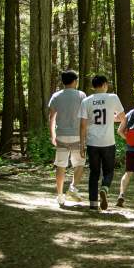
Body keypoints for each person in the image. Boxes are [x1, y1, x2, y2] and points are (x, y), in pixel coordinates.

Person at [79, 75, 125, 211]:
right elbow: (123, 118)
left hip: (92, 142)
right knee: (108, 171)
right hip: (108, 142)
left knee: (94, 173)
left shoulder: (86, 101)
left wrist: (81, 144)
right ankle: (104, 188)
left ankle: (93, 204)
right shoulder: (113, 97)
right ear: (105, 84)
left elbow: (83, 125)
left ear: (93, 86)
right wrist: (111, 118)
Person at [48, 70, 86, 207]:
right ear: (75, 81)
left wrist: (53, 134)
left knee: (60, 165)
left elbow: (52, 118)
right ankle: (72, 188)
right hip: (77, 135)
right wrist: (85, 136)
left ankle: (60, 196)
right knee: (80, 164)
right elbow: (84, 117)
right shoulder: (81, 95)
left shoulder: (56, 96)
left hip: (61, 135)